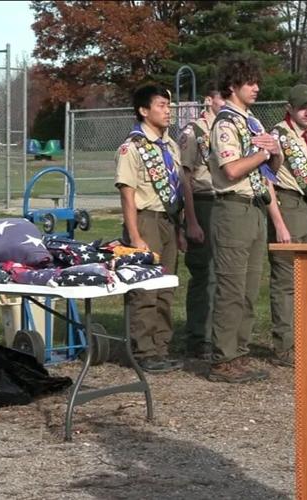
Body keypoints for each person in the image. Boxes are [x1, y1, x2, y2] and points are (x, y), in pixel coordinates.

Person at [207, 55, 283, 383]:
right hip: (233, 208)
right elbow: (232, 169)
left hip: (255, 207)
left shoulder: (252, 122)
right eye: (249, 82)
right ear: (232, 86)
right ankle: (222, 359)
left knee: (250, 288)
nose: (256, 88)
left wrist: (274, 152)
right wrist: (263, 153)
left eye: (257, 82)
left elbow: (270, 171)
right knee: (231, 288)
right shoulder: (225, 123)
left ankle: (239, 351)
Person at [115, 84, 186, 373]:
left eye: (169, 106)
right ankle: (142, 350)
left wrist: (181, 227)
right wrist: (135, 236)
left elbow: (178, 188)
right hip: (145, 220)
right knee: (145, 288)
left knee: (165, 286)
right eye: (161, 106)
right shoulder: (132, 147)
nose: (168, 111)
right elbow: (127, 194)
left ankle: (161, 346)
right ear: (144, 111)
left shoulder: (171, 146)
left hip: (169, 220)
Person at [265, 84, 307, 367]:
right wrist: (279, 223)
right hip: (287, 205)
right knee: (286, 282)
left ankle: (306, 338)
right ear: (289, 108)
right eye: (302, 108)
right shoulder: (279, 136)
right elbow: (266, 179)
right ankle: (284, 346)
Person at [178, 87, 226, 361]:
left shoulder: (228, 128)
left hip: (225, 202)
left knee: (223, 273)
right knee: (204, 273)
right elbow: (185, 178)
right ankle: (198, 337)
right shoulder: (193, 132)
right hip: (202, 201)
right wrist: (192, 221)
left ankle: (217, 334)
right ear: (209, 100)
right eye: (222, 98)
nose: (226, 103)